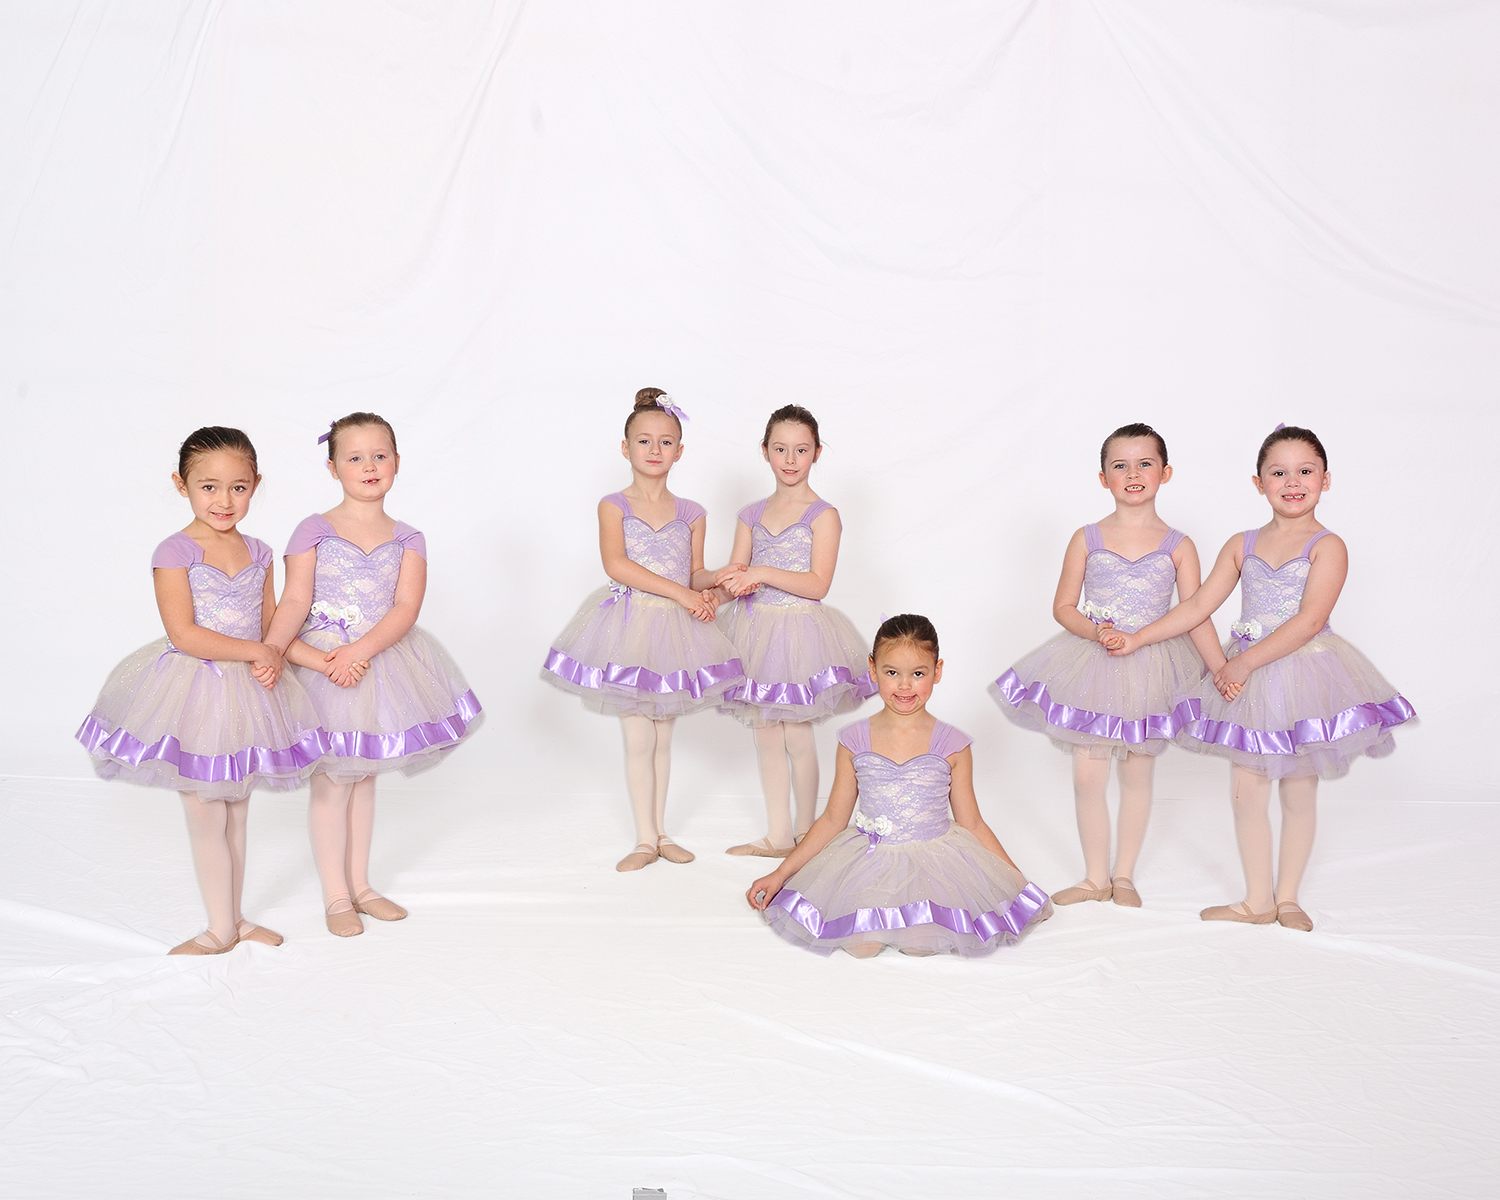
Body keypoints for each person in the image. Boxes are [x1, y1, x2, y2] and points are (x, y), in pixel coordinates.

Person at [1108, 426, 1415, 930]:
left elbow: (1309, 620)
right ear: (1258, 483)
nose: (1292, 482)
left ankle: (1287, 897)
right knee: (1246, 792)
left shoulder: (1327, 545)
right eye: (1278, 472)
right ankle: (1257, 900)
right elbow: (1197, 606)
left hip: (1303, 674)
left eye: (1305, 471)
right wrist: (1141, 638)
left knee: (1298, 790)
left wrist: (1244, 664)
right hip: (1247, 684)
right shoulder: (1242, 544)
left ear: (1325, 479)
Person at [76, 426, 326, 954]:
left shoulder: (260, 552)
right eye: (208, 487)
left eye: (238, 487)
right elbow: (184, 634)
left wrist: (303, 659)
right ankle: (218, 929)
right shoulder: (174, 551)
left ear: (256, 484)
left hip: (249, 695)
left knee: (236, 809)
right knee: (206, 813)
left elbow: (271, 627)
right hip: (195, 689)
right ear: (181, 484)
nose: (224, 500)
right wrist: (258, 652)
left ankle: (233, 920)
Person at [267, 412, 482, 937]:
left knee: (363, 779)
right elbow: (294, 600)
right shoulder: (314, 530)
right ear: (333, 467)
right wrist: (286, 651)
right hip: (323, 666)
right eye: (355, 457)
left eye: (379, 456)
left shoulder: (408, 538)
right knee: (332, 783)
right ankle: (335, 896)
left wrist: (359, 652)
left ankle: (361, 886)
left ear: (397, 463)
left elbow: (406, 607)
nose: (369, 466)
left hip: (377, 660)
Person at [992, 424, 1222, 907]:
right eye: (1120, 465)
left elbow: (1196, 613)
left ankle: (1124, 875)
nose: (1133, 474)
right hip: (1094, 664)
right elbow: (1063, 606)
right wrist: (1096, 631)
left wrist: (1220, 667)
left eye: (1145, 464)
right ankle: (1094, 877)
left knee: (1137, 773)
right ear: (1103, 478)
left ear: (1165, 472)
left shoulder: (1178, 545)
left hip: (1153, 666)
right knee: (1087, 776)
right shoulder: (1087, 538)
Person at [747, 614, 1050, 957]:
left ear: (937, 671)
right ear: (873, 669)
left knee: (920, 944)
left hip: (933, 864)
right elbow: (832, 820)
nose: (905, 686)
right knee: (862, 946)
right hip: (870, 860)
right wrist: (780, 874)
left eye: (918, 674)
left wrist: (1018, 886)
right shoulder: (854, 740)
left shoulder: (953, 745)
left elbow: (973, 823)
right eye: (892, 673)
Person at [541, 389, 744, 871]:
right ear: (626, 447)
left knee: (663, 737)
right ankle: (644, 840)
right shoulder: (614, 505)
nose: (655, 449)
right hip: (630, 627)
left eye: (666, 441)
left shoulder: (691, 512)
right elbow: (617, 565)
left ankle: (662, 833)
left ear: (680, 450)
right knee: (639, 737)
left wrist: (720, 578)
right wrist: (683, 595)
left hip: (674, 633)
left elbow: (693, 573)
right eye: (645, 440)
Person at [712, 405, 873, 857]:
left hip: (800, 634)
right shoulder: (750, 514)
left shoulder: (823, 515)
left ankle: (807, 834)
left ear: (816, 453)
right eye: (780, 449)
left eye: (801, 450)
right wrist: (710, 598)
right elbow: (736, 577)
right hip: (755, 632)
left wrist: (761, 572)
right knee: (766, 732)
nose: (790, 459)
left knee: (798, 734)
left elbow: (818, 584)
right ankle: (778, 835)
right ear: (764, 451)